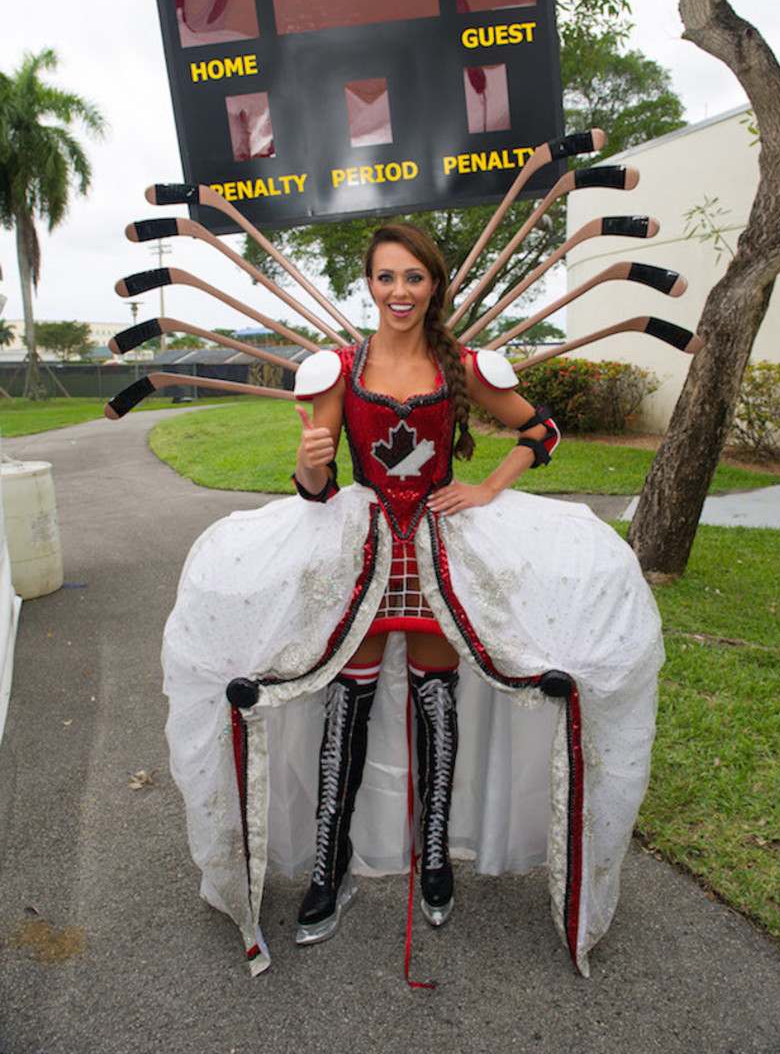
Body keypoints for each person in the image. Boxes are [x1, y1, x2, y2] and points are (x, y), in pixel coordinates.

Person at [161, 222, 663, 979]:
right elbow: (320, 491)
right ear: (368, 283)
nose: (400, 292)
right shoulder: (336, 367)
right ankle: (329, 866)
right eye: (386, 277)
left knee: (438, 705)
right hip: (360, 556)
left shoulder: (463, 365)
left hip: (436, 558)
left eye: (415, 278)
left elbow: (542, 429)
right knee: (346, 707)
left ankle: (437, 861)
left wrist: (488, 486)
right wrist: (308, 465)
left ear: (435, 286)